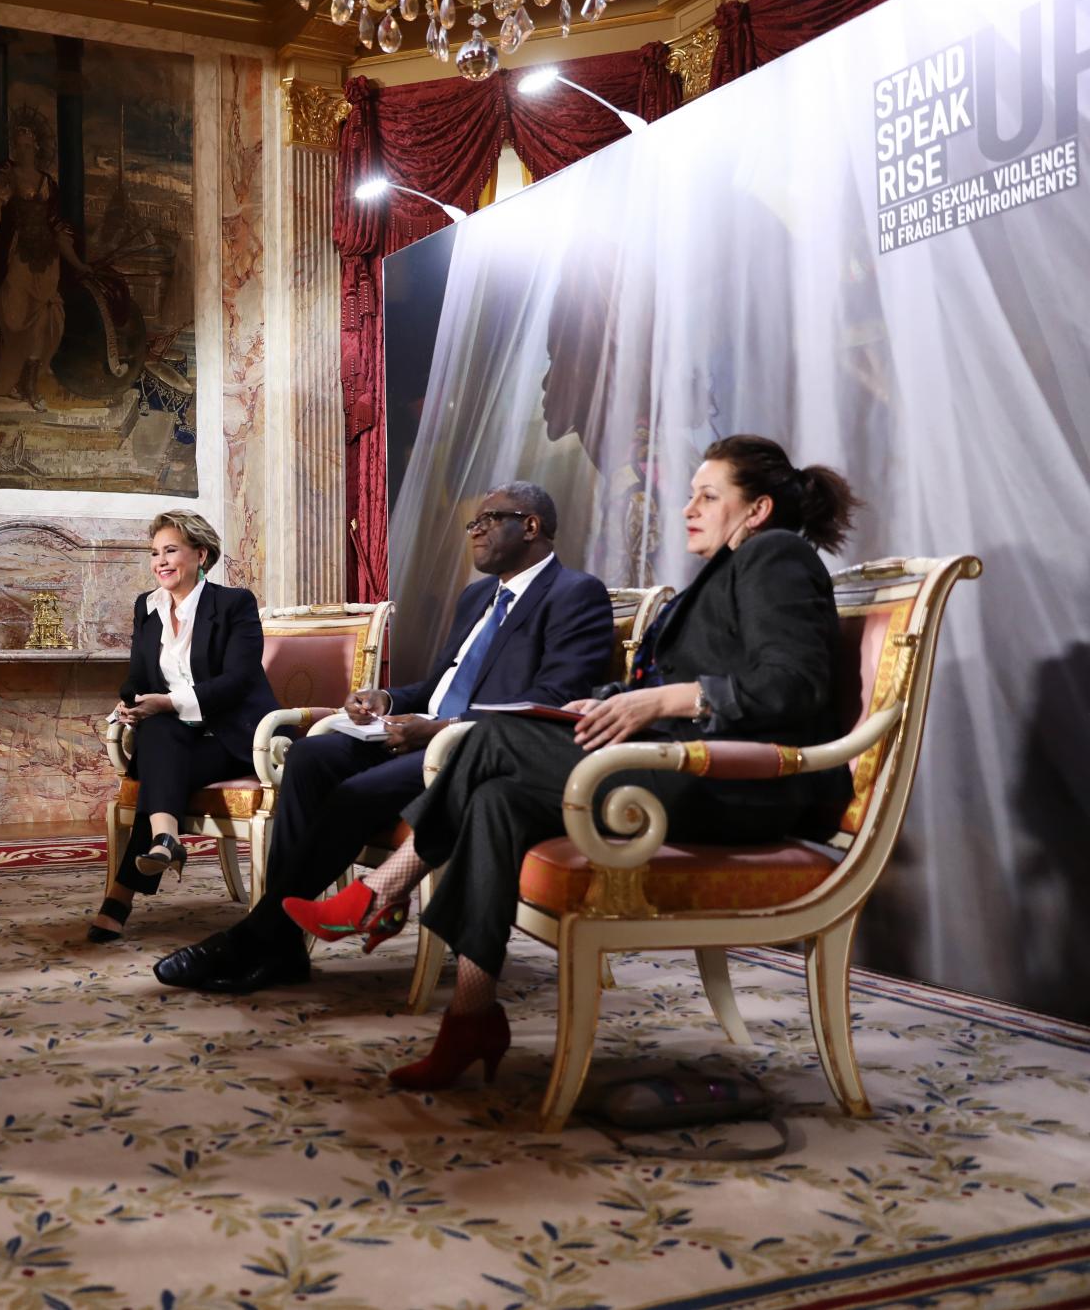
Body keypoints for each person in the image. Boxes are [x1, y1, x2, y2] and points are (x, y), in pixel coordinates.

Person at [308, 436, 860, 1093]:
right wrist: (603, 700)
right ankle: (471, 1014)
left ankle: (379, 892)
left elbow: (792, 684)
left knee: (493, 736)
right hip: (682, 768)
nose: (688, 507)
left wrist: (660, 696)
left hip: (744, 784)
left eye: (708, 496)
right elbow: (696, 678)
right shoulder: (727, 568)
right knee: (496, 799)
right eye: (692, 493)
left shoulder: (778, 555)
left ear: (759, 508)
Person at [152, 482, 612, 993]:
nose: (475, 530)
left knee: (354, 793)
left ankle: (255, 938)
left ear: (530, 526)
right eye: (472, 523)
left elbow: (553, 700)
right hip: (419, 734)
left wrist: (438, 730)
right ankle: (280, 945)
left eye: (489, 519)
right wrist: (386, 700)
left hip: (475, 752)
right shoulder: (479, 595)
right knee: (311, 756)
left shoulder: (575, 594)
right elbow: (440, 685)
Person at [89, 510, 278, 943]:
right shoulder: (147, 606)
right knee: (157, 735)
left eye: (171, 550)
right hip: (176, 736)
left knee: (157, 759)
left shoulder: (234, 604)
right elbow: (136, 676)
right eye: (155, 553)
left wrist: (168, 702)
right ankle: (165, 840)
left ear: (200, 554)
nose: (160, 562)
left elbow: (238, 681)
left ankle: (121, 896)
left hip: (236, 739)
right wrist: (131, 703)